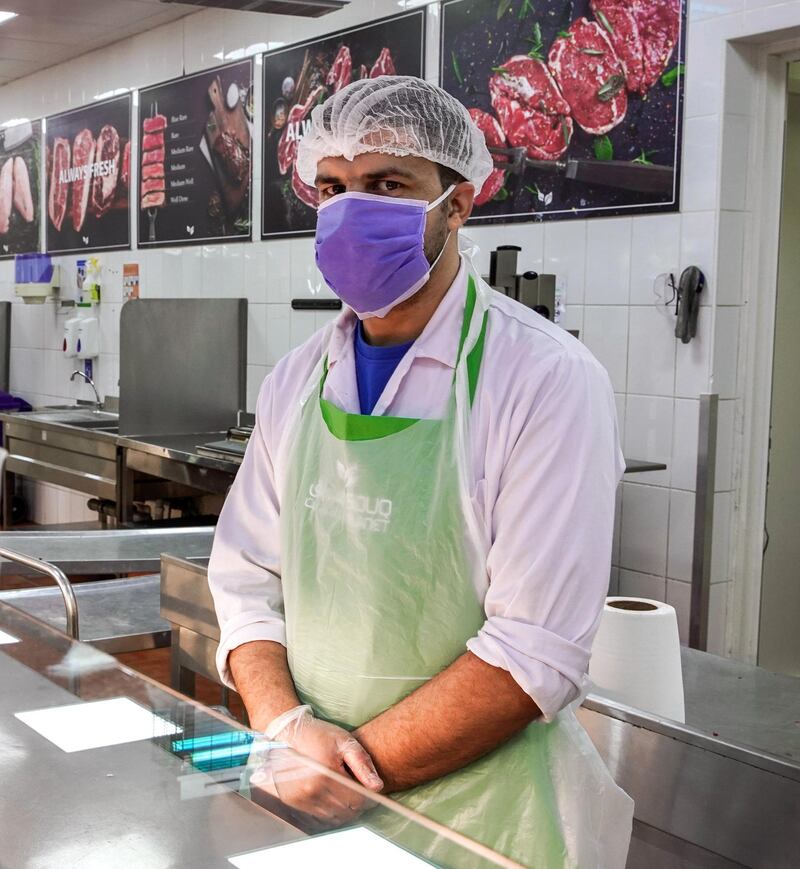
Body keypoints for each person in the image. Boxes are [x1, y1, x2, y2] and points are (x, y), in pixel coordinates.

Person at [208, 76, 633, 868]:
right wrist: (286, 730)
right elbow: (243, 579)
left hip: (478, 816)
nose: (348, 211)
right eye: (331, 188)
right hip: (310, 793)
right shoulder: (296, 380)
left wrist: (349, 769)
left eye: (386, 185)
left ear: (459, 204)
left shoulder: (545, 379)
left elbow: (533, 650)